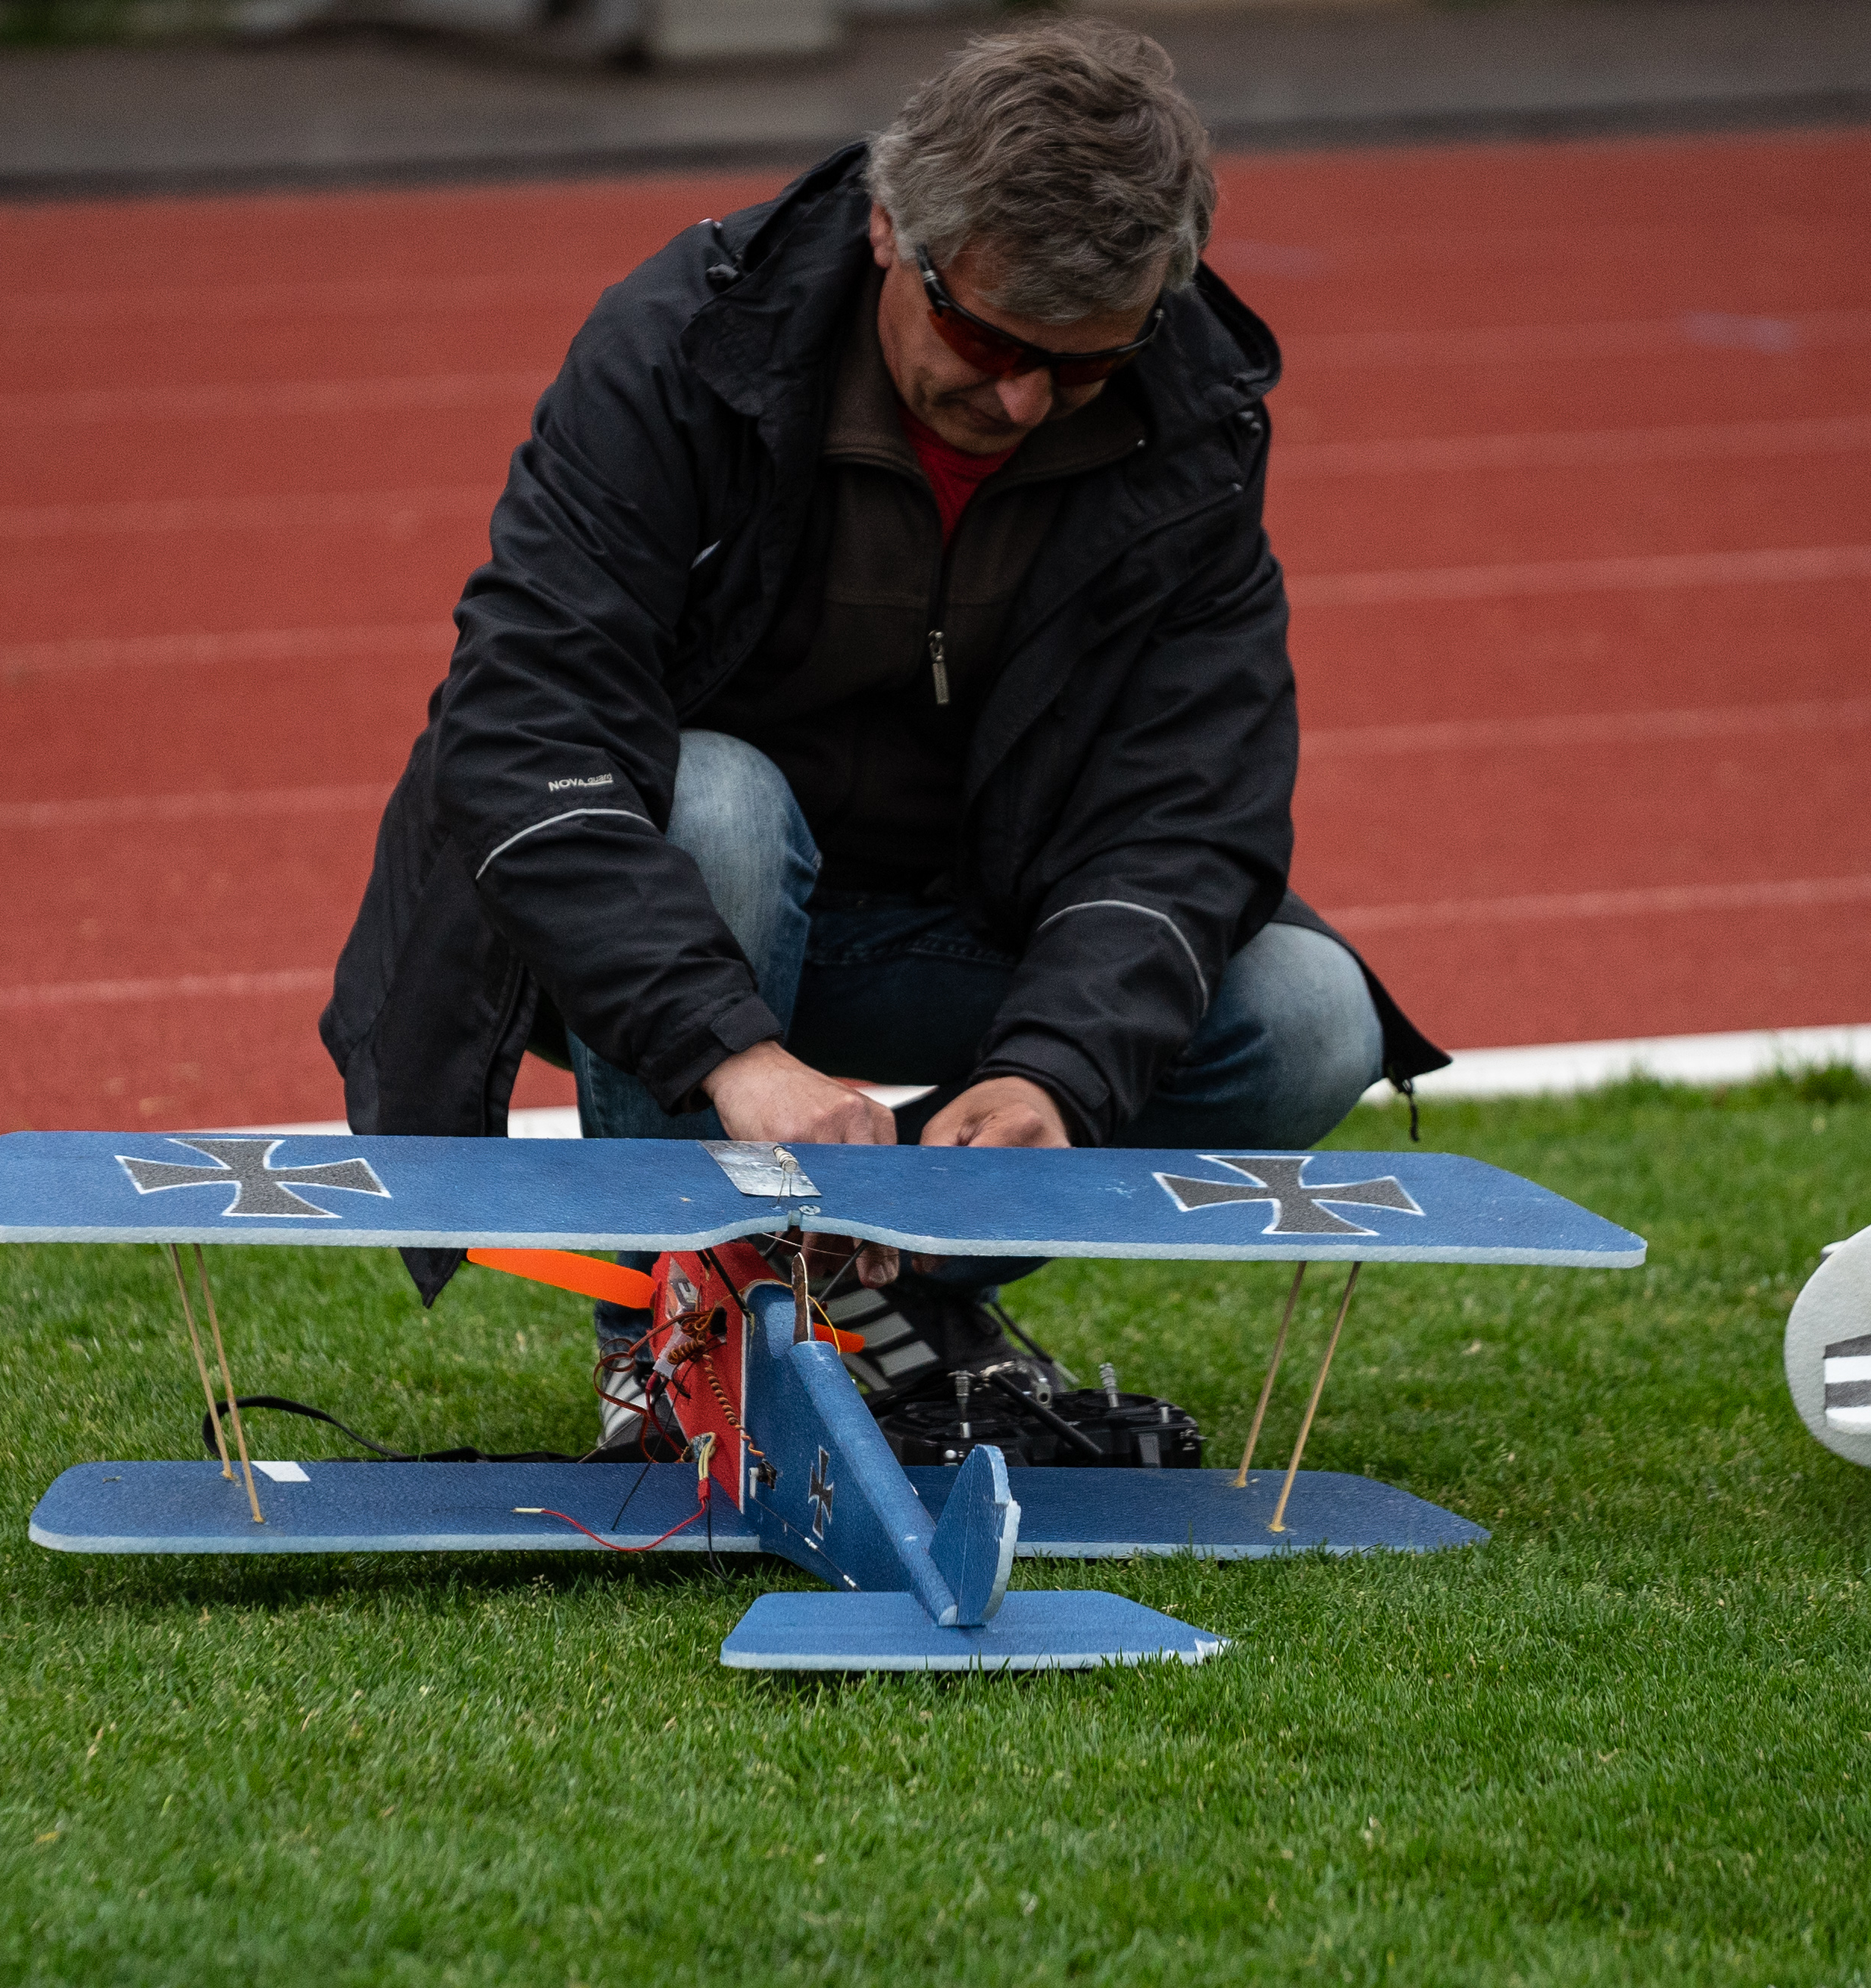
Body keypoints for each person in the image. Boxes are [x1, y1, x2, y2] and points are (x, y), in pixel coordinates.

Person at [319, 18, 1445, 1434]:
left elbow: (1192, 803)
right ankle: (679, 1342)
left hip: (954, 919)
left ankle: (872, 1287)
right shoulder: (679, 343)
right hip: (648, 920)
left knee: (1312, 1017)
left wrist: (1049, 1072)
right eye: (985, 337)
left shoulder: (1196, 414)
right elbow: (520, 728)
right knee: (721, 803)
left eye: (1085, 365)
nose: (1021, 398)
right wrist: (733, 1051)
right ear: (886, 231)